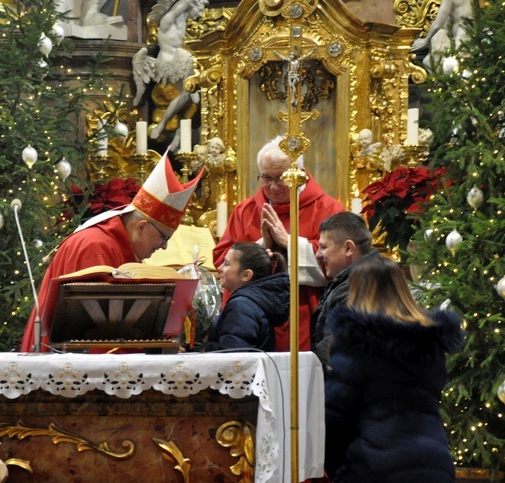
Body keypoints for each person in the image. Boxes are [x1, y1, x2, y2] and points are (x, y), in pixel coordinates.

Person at [20, 152, 203, 352]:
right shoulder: (95, 246)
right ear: (141, 227)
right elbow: (92, 334)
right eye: (163, 237)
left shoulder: (123, 248)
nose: (164, 246)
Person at [323, 255, 464, 482]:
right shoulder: (431, 341)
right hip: (434, 461)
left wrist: (329, 466)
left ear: (357, 291)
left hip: (375, 463)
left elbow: (335, 414)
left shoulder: (355, 341)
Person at [213, 136, 344, 351]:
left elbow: (341, 261)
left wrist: (288, 243)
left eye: (281, 178)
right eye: (266, 178)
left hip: (303, 311)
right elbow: (222, 259)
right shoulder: (245, 211)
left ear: (299, 174)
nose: (273, 187)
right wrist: (261, 245)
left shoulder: (328, 209)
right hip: (250, 317)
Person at [132, 0, 208, 150]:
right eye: (199, 10)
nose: (200, 15)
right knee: (190, 91)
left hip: (175, 60)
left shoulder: (180, 20)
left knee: (186, 97)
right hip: (171, 61)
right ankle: (163, 125)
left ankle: (176, 133)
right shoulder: (169, 19)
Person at [311, 212, 379, 368]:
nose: (318, 254)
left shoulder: (360, 284)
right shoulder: (360, 277)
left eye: (323, 247)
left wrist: (306, 368)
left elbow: (335, 346)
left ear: (348, 248)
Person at [204, 242, 288, 352]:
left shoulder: (241, 307)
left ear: (246, 275)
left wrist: (203, 351)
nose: (219, 268)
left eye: (226, 263)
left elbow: (233, 357)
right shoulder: (251, 302)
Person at [410, 0, 474, 71]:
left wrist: (425, 41)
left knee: (431, 63)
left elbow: (438, 24)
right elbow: (448, 22)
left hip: (462, 37)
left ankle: (443, 81)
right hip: (468, 35)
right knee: (428, 61)